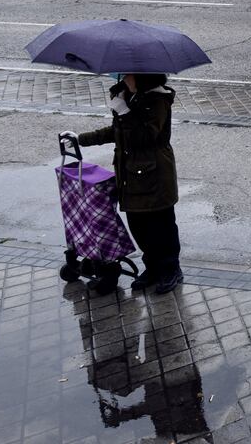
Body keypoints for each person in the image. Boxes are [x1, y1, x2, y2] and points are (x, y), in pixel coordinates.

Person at [72, 73, 183, 293]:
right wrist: (82, 139)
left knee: (161, 226)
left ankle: (170, 270)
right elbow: (118, 132)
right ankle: (152, 268)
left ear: (143, 76)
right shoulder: (128, 96)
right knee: (139, 226)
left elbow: (145, 136)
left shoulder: (158, 100)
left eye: (129, 74)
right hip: (130, 175)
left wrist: (124, 112)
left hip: (155, 176)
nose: (125, 77)